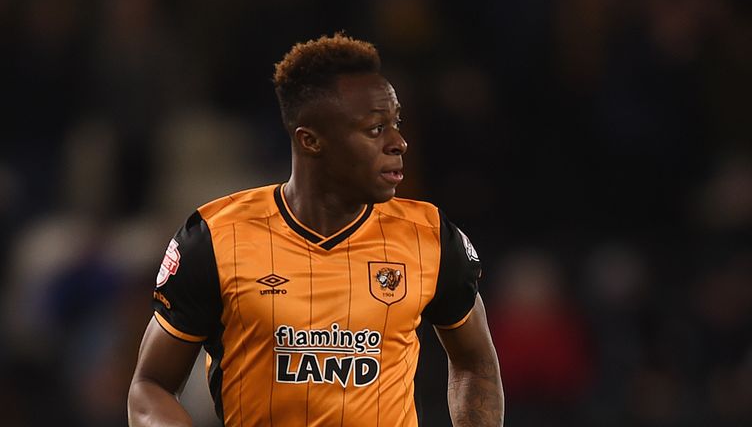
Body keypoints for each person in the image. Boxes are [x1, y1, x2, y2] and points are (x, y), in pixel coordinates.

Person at [127, 32, 503, 427]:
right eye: (376, 129)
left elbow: (475, 361)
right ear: (311, 141)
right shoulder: (216, 238)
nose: (399, 142)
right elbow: (150, 385)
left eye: (396, 123)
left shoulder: (430, 236)